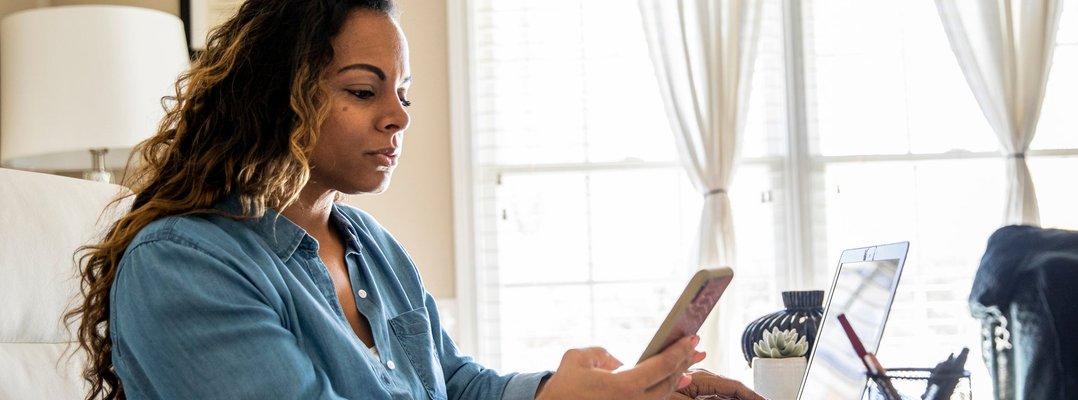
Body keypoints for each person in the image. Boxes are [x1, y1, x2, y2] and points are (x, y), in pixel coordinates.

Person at [66, 0, 763, 399]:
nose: (398, 118)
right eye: (364, 91)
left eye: (403, 94)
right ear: (278, 96)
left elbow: (451, 384)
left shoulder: (371, 246)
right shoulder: (185, 264)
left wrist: (566, 392)